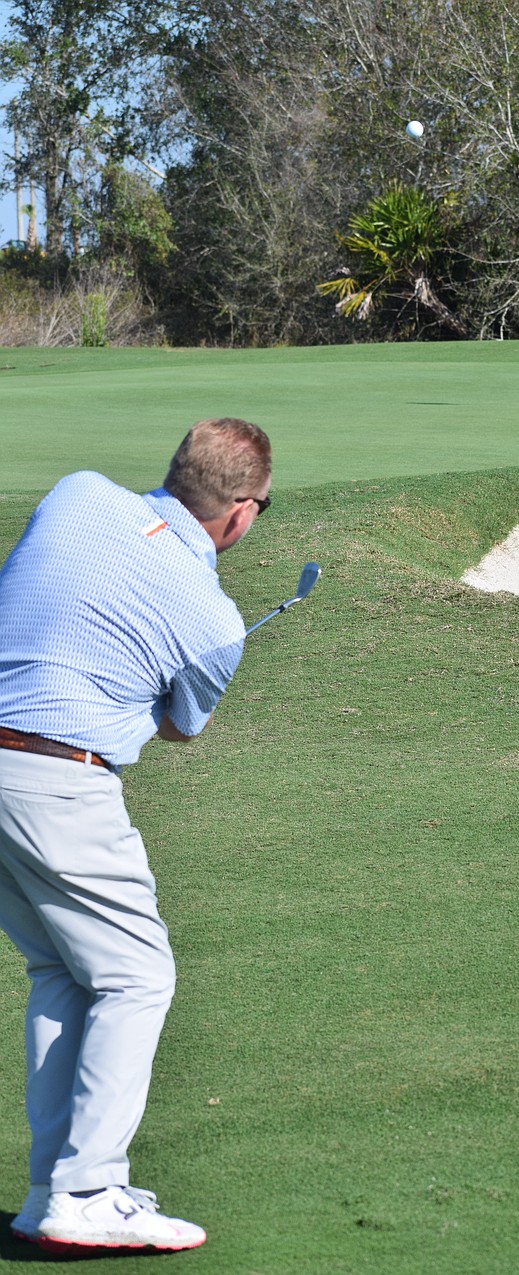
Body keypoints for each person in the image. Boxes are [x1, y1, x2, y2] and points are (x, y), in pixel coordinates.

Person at [0, 417, 272, 1255]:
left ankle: (51, 1186)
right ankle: (89, 1188)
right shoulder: (214, 617)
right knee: (137, 974)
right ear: (241, 514)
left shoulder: (78, 492)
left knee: (64, 968)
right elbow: (181, 726)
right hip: (56, 779)